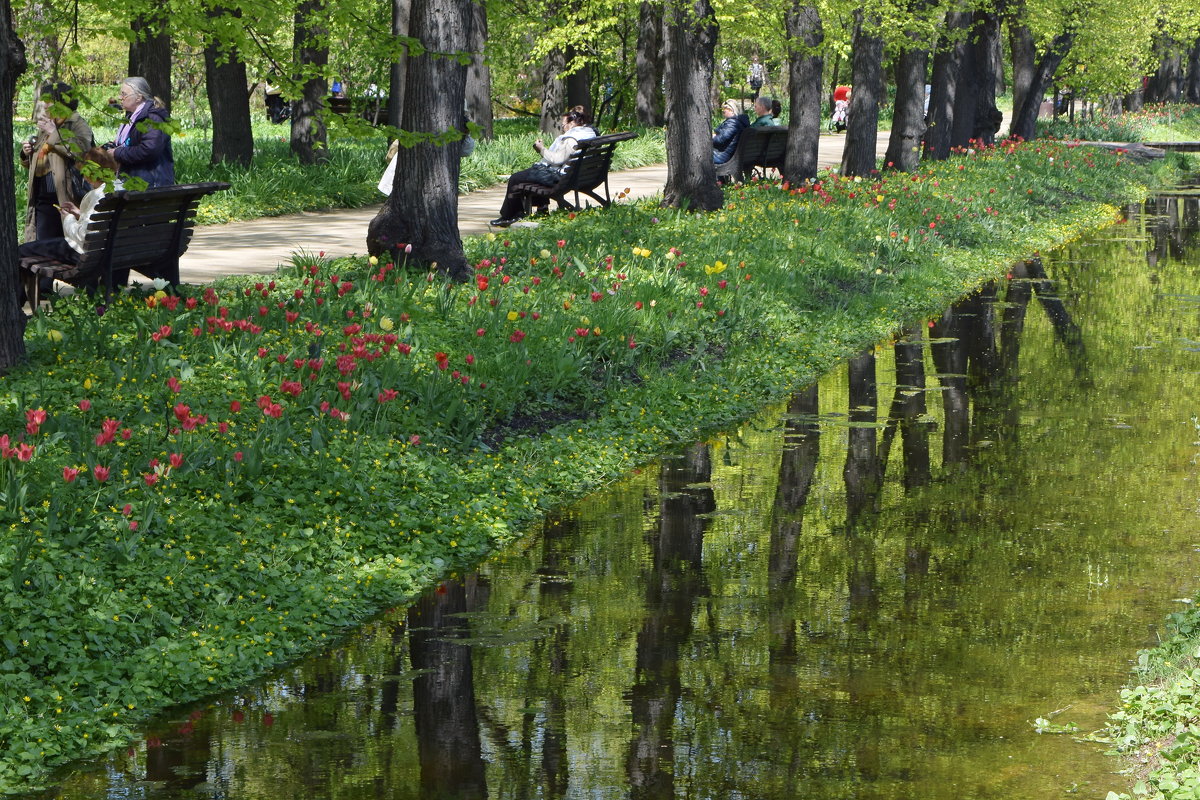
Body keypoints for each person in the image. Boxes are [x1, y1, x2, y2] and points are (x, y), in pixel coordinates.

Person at [17, 147, 121, 298]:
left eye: (85, 174)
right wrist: (80, 213)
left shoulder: (98, 196)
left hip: (85, 253)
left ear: (94, 172)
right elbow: (100, 222)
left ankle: (15, 302)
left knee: (22, 251)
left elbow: (83, 236)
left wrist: (68, 218)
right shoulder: (119, 187)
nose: (84, 179)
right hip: (109, 251)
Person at [490, 106, 597, 227]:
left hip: (561, 178)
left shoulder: (572, 139)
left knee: (515, 179)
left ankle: (510, 216)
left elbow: (557, 160)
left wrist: (541, 149)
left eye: (563, 125)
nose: (563, 128)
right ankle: (542, 209)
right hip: (579, 176)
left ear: (572, 123)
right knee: (528, 176)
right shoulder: (589, 134)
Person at [20, 82, 94, 243]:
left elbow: (82, 152)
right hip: (42, 196)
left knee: (64, 242)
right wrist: (27, 153)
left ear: (61, 102)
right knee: (42, 243)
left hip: (65, 196)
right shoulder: (49, 123)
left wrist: (53, 133)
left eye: (49, 101)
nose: (45, 106)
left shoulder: (77, 123)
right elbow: (42, 157)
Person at [110, 77, 175, 188]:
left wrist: (117, 153)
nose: (120, 97)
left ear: (138, 97)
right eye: (120, 94)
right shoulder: (132, 117)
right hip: (135, 182)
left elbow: (149, 149)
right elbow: (130, 143)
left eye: (124, 94)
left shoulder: (152, 118)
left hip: (151, 184)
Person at [712, 98, 749, 165]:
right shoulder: (741, 122)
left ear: (732, 110)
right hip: (732, 155)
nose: (723, 113)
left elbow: (720, 140)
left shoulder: (733, 123)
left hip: (722, 156)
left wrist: (712, 137)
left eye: (724, 111)